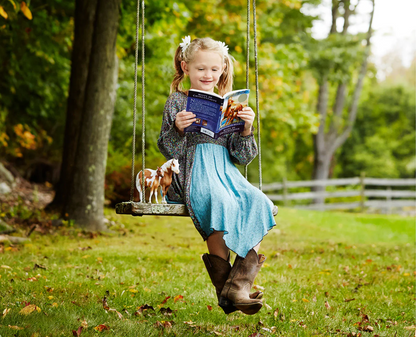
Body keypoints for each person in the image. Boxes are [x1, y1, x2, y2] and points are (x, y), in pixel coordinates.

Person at [157, 36, 276, 315]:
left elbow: (242, 157)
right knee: (218, 201)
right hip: (192, 171)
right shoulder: (177, 101)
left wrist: (246, 129)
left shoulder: (230, 104)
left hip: (225, 170)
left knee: (259, 202)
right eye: (200, 69)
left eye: (214, 69)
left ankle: (236, 289)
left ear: (223, 68)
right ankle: (234, 290)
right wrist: (177, 129)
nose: (208, 75)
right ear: (185, 67)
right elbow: (167, 148)